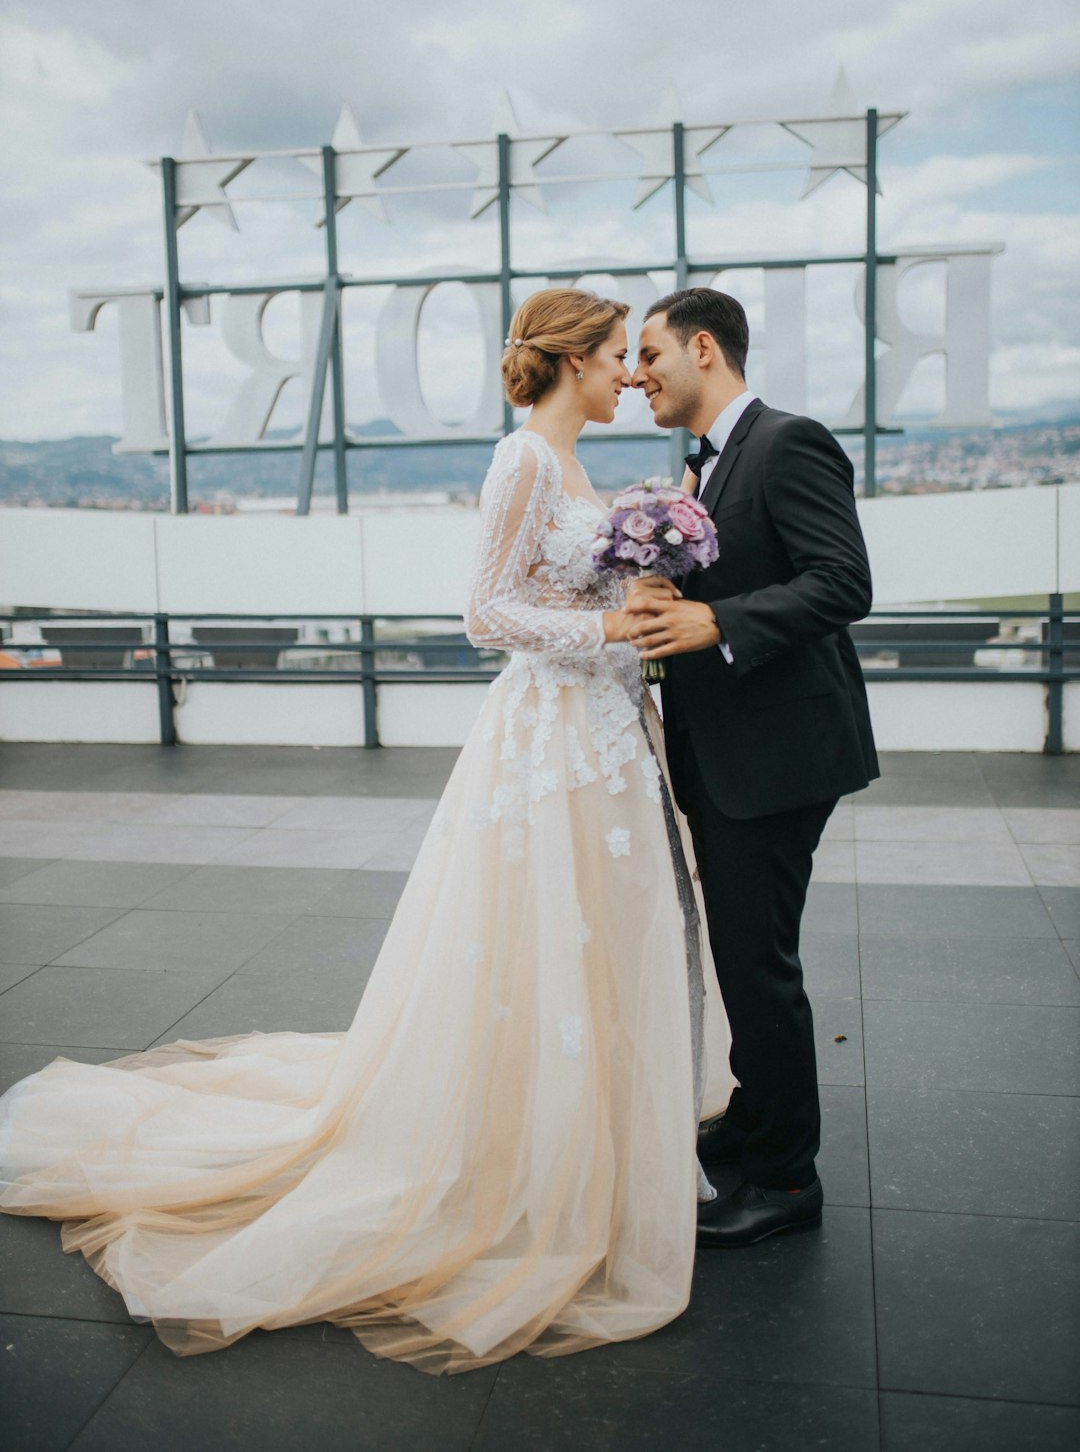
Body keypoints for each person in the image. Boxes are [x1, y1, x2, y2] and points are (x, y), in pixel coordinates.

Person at [0, 288, 734, 1374]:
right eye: (617, 354)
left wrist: (641, 583)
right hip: (550, 734)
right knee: (542, 933)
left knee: (590, 938)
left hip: (608, 733)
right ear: (574, 361)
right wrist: (611, 627)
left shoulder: (575, 470)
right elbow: (483, 613)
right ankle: (528, 1152)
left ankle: (594, 1141)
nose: (631, 372)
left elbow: (556, 585)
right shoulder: (523, 461)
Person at [628, 287, 878, 1247]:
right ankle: (757, 1119)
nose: (636, 372)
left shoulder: (788, 441)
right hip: (725, 748)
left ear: (703, 348)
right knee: (743, 952)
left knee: (759, 964)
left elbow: (842, 581)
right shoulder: (703, 465)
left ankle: (787, 1179)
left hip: (777, 755)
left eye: (649, 354)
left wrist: (715, 620)